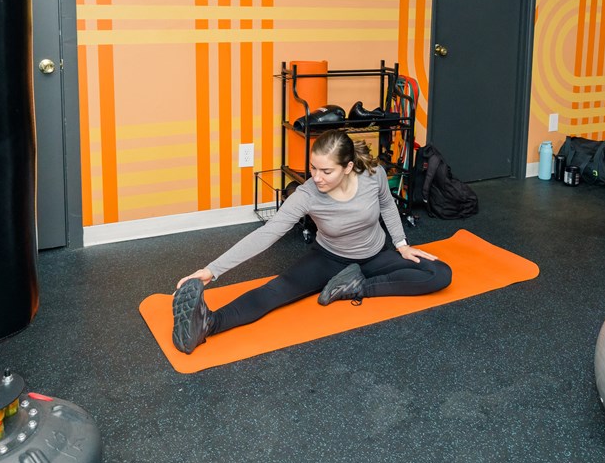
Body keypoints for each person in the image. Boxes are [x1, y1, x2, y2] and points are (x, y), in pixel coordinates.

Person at [171, 129, 453, 354]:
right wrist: (211, 270)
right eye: (312, 168)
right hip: (328, 258)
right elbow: (267, 234)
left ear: (348, 167)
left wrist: (402, 245)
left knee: (439, 273)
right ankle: (208, 324)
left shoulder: (372, 175)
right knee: (276, 291)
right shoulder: (307, 194)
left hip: (374, 255)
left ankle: (354, 288)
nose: (316, 177)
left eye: (325, 171)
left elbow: (388, 205)